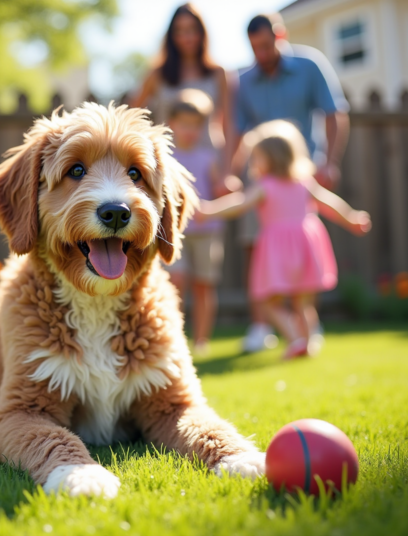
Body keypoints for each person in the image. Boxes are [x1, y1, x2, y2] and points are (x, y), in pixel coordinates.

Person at [196, 121, 370, 358]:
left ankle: (297, 339)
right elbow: (330, 203)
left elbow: (239, 204)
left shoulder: (265, 186)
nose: (253, 163)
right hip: (306, 243)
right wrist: (351, 217)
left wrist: (208, 211)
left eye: (257, 157)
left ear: (273, 158)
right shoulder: (304, 182)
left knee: (268, 302)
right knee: (304, 303)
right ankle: (307, 343)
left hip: (277, 249)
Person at [232, 13, 351, 353]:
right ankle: (262, 327)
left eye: (267, 46)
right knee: (257, 247)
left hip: (302, 171)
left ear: (280, 36)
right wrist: (232, 173)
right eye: (255, 49)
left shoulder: (310, 65)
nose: (262, 54)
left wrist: (330, 161)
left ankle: (304, 325)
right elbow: (238, 132)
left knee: (301, 253)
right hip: (261, 178)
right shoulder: (244, 80)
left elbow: (334, 113)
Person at [131, 3, 234, 195]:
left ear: (202, 33)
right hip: (168, 162)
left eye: (192, 30)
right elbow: (132, 117)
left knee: (207, 221)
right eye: (179, 31)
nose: (186, 37)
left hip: (208, 164)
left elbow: (227, 123)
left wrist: (226, 173)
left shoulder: (218, 73)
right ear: (171, 36)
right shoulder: (157, 74)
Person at [164, 89, 224, 354]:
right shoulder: (165, 157)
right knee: (175, 281)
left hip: (206, 231)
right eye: (184, 124)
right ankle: (173, 339)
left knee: (203, 285)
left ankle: (201, 341)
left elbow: (219, 188)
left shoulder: (208, 158)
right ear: (172, 124)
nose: (190, 130)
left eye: (196, 125)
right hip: (175, 232)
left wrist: (225, 187)